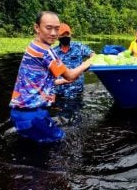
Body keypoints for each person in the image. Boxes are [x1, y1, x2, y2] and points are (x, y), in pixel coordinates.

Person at [9, 11, 91, 143]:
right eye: (48, 28)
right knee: (60, 142)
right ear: (37, 28)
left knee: (31, 150)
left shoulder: (32, 46)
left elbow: (38, 82)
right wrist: (88, 63)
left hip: (17, 114)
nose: (53, 33)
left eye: (57, 29)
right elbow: (70, 75)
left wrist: (62, 81)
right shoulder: (47, 52)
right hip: (34, 115)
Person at [53, 23, 95, 98]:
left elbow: (93, 55)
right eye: (62, 35)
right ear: (58, 36)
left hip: (77, 91)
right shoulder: (54, 52)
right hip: (59, 93)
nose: (65, 37)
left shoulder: (79, 47)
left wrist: (85, 65)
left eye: (67, 34)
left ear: (70, 35)